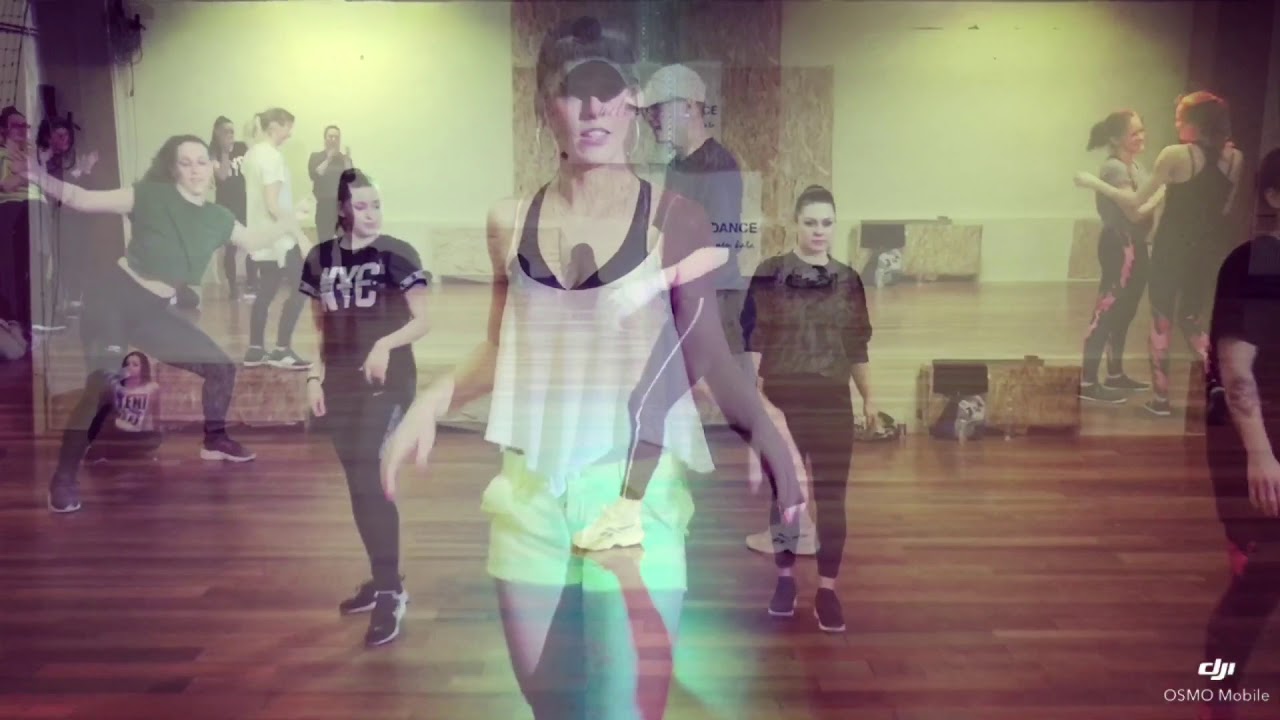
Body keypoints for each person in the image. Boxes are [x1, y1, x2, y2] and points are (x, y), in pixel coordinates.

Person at [380, 16, 805, 719]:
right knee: (553, 711)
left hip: (633, 500)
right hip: (530, 497)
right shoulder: (509, 221)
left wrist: (766, 428)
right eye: (572, 91)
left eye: (609, 90)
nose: (593, 108)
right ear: (545, 106)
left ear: (633, 101)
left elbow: (704, 353)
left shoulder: (676, 219)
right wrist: (433, 399)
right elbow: (503, 348)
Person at [18, 133, 305, 513]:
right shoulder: (149, 196)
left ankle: (215, 440)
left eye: (201, 161)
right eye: (185, 163)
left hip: (153, 312)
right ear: (173, 169)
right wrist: (37, 175)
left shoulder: (218, 217)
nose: (195, 170)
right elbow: (81, 199)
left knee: (220, 367)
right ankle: (64, 477)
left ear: (213, 167)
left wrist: (289, 220)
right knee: (102, 385)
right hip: (111, 300)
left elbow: (252, 241)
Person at [301, 169, 431, 647]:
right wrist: (313, 376)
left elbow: (423, 320)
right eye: (361, 206)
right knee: (358, 486)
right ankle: (381, 577)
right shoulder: (320, 259)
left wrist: (383, 345)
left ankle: (391, 591)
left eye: (376, 204)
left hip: (388, 382)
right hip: (339, 384)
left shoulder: (397, 253)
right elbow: (319, 328)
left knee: (372, 479)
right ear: (342, 209)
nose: (372, 214)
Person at [739, 185, 873, 633]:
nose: (819, 231)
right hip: (782, 403)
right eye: (811, 222)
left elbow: (857, 347)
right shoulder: (770, 274)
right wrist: (754, 399)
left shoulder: (849, 281)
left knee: (832, 500)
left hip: (833, 403)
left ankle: (828, 590)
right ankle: (784, 580)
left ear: (835, 226)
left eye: (827, 223)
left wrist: (870, 398)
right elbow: (753, 339)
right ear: (795, 223)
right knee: (785, 498)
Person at [1076, 91, 1243, 416]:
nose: (1175, 125)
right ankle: (1216, 381)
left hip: (1171, 249)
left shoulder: (1175, 154)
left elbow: (1136, 204)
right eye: (1135, 132)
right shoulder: (1236, 158)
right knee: (1189, 319)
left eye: (1180, 119)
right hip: (1203, 249)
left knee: (1159, 320)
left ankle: (1161, 400)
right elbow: (1225, 207)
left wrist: (1093, 182)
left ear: (1196, 123)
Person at [1198, 148, 1280, 720]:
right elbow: (1236, 369)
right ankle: (1217, 697)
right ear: (1274, 196)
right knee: (1256, 587)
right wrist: (1261, 456)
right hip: (1262, 445)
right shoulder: (1258, 263)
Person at [1078, 110, 1165, 404]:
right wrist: (1161, 193)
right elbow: (1135, 212)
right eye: (1133, 133)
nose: (1141, 137)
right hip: (1119, 245)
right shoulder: (1114, 168)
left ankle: (1114, 374)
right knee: (1107, 310)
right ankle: (1087, 381)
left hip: (1136, 245)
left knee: (1125, 311)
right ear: (1116, 139)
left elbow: (1142, 210)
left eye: (1142, 130)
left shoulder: (1136, 167)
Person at [243, 108, 312, 370]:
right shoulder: (272, 156)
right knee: (303, 286)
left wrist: (294, 209)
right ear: (274, 126)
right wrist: (300, 236)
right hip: (280, 237)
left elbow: (265, 202)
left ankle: (255, 349)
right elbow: (273, 205)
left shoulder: (252, 154)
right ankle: (282, 350)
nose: (289, 134)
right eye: (287, 127)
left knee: (267, 288)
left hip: (262, 236)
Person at [0, 107, 40, 336]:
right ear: (3, 130)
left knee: (37, 265)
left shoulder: (31, 156)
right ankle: (17, 320)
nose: (23, 130)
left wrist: (22, 172)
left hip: (37, 208)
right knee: (14, 267)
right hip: (13, 208)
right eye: (16, 125)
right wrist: (29, 173)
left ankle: (34, 319)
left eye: (25, 125)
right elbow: (6, 185)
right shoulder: (2, 154)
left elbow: (44, 181)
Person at [84, 351, 163, 463]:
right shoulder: (116, 386)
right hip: (118, 430)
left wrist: (157, 433)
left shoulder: (152, 388)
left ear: (143, 368)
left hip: (139, 433)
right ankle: (106, 451)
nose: (130, 367)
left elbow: (156, 413)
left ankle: (118, 452)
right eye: (127, 364)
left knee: (152, 442)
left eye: (135, 365)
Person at [210, 116, 254, 301]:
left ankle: (253, 284)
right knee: (231, 248)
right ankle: (233, 287)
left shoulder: (242, 147)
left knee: (252, 244)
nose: (230, 135)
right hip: (226, 206)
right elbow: (222, 175)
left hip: (245, 203)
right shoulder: (212, 152)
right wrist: (225, 151)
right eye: (226, 131)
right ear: (217, 133)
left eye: (232, 131)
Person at [307, 125, 352, 240]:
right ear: (325, 138)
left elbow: (350, 179)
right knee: (325, 244)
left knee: (344, 244)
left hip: (342, 207)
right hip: (324, 207)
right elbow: (315, 175)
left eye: (336, 137)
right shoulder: (316, 157)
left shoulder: (344, 159)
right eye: (330, 137)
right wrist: (328, 159)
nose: (333, 140)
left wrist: (347, 160)